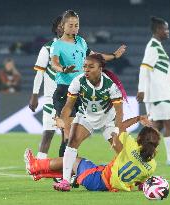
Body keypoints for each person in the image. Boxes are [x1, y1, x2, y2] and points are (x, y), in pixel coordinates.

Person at [50, 10, 127, 160]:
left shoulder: (81, 41)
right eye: (70, 25)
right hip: (65, 91)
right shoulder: (57, 45)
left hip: (81, 91)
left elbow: (95, 57)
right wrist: (64, 69)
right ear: (63, 26)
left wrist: (113, 56)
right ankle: (64, 173)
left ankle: (68, 171)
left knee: (73, 137)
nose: (74, 28)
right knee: (68, 134)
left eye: (76, 25)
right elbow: (54, 63)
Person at [53, 54, 133, 191]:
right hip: (86, 117)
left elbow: (119, 113)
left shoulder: (111, 86)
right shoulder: (78, 82)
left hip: (108, 119)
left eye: (91, 67)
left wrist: (115, 132)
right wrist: (62, 119)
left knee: (122, 150)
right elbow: (68, 106)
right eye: (85, 66)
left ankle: (137, 180)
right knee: (71, 142)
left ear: (100, 69)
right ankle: (65, 181)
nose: (86, 70)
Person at [24, 116, 158, 192]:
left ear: (139, 139)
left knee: (75, 160)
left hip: (98, 181)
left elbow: (120, 127)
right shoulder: (152, 165)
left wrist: (138, 118)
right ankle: (40, 173)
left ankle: (35, 165)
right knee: (84, 166)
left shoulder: (131, 146)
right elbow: (141, 182)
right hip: (111, 184)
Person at [137, 16, 170, 166]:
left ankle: (140, 155)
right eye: (166, 29)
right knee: (167, 123)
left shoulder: (158, 46)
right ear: (158, 30)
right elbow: (144, 68)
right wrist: (141, 89)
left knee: (156, 126)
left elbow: (163, 70)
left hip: (163, 93)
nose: (168, 32)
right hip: (158, 95)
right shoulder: (152, 47)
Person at [28, 16, 64, 160]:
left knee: (68, 136)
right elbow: (39, 72)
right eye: (61, 25)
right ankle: (39, 163)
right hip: (51, 99)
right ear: (56, 28)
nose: (64, 28)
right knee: (48, 133)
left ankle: (64, 168)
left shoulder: (76, 48)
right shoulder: (47, 48)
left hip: (70, 99)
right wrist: (35, 94)